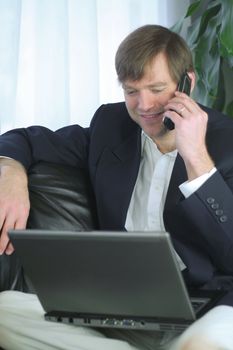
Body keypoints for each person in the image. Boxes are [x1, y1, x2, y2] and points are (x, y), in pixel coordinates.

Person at [0, 24, 233, 349]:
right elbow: (25, 138)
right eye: (131, 91)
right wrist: (10, 173)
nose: (144, 105)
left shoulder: (226, 142)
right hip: (126, 302)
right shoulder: (110, 126)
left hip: (212, 302)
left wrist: (196, 158)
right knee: (5, 312)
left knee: (202, 346)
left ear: (187, 83)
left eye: (156, 88)